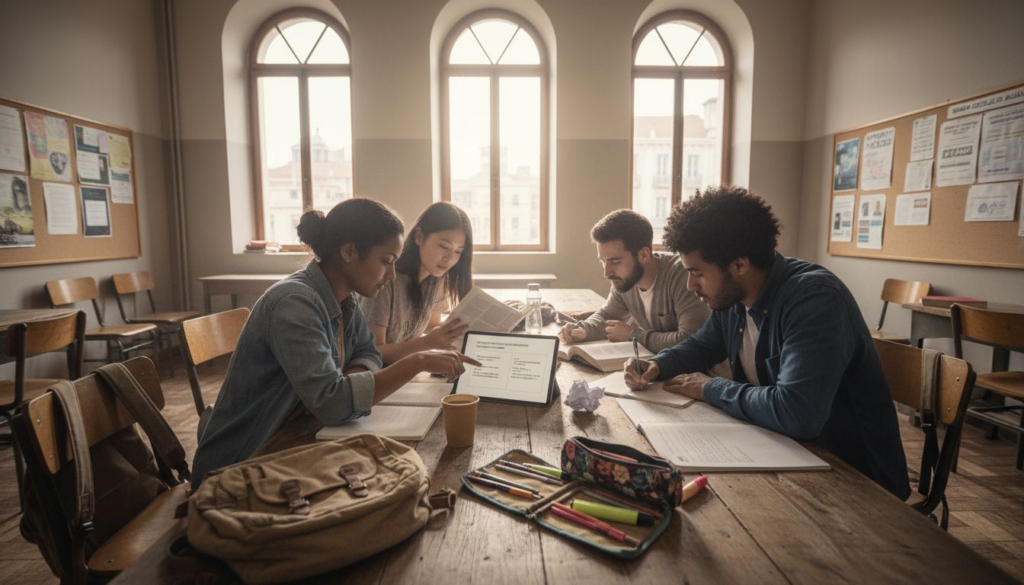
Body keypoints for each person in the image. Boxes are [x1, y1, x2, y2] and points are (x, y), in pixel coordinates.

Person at [624, 187, 909, 499]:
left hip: (853, 477)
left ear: (740, 265)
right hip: (783, 450)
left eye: (697, 273)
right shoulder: (734, 297)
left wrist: (710, 388)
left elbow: (798, 414)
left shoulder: (815, 299)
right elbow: (702, 346)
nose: (691, 285)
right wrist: (658, 364)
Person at [192, 198, 481, 486]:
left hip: (297, 441)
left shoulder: (345, 300)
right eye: (386, 261)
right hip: (241, 465)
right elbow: (334, 405)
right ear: (349, 252)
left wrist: (350, 378)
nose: (392, 274)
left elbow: (368, 351)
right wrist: (420, 359)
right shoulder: (295, 303)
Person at [558, 209, 710, 352]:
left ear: (643, 255)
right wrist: (582, 330)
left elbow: (691, 341)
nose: (607, 272)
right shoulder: (626, 281)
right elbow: (606, 315)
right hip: (660, 367)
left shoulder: (682, 275)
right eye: (603, 261)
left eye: (615, 261)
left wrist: (633, 335)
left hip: (702, 376)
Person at [360, 202, 473, 364]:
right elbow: (373, 352)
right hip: (375, 378)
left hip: (401, 374)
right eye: (444, 246)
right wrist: (427, 343)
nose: (449, 258)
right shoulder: (387, 279)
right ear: (419, 237)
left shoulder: (435, 278)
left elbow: (433, 326)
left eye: (458, 251)